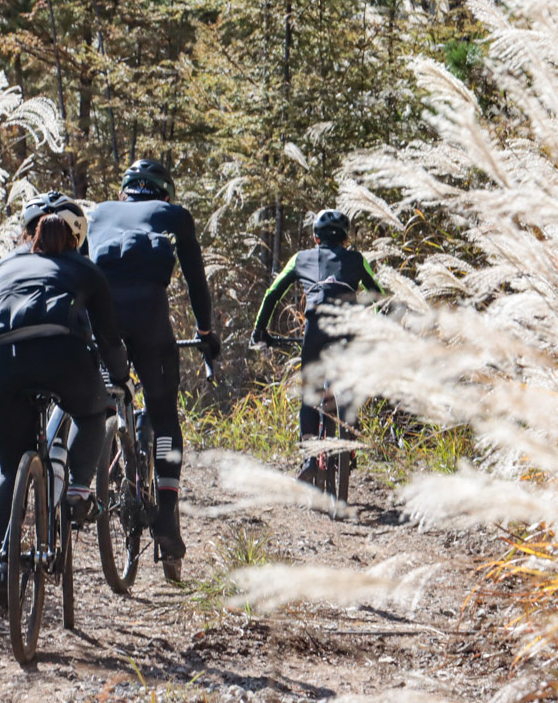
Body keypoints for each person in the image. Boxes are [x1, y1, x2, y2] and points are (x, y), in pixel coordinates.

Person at [0, 196, 130, 609]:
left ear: (30, 236)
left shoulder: (3, 266)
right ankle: (77, 492)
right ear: (76, 240)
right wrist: (120, 380)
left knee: (10, 471)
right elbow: (110, 340)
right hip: (65, 357)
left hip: (2, 362)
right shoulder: (84, 269)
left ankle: (3, 564)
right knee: (94, 413)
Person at [84, 159, 220, 581]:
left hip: (99, 314)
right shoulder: (174, 215)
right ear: (164, 193)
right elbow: (196, 280)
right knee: (163, 418)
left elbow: (81, 270)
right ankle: (165, 517)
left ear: (125, 191)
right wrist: (205, 332)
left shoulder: (100, 212)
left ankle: (96, 473)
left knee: (103, 398)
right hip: (150, 314)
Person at [249, 208, 382, 483]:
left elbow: (273, 292)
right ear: (346, 239)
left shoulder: (301, 258)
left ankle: (311, 456)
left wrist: (260, 330)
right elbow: (377, 295)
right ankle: (350, 439)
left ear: (315, 237)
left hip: (315, 329)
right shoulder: (357, 259)